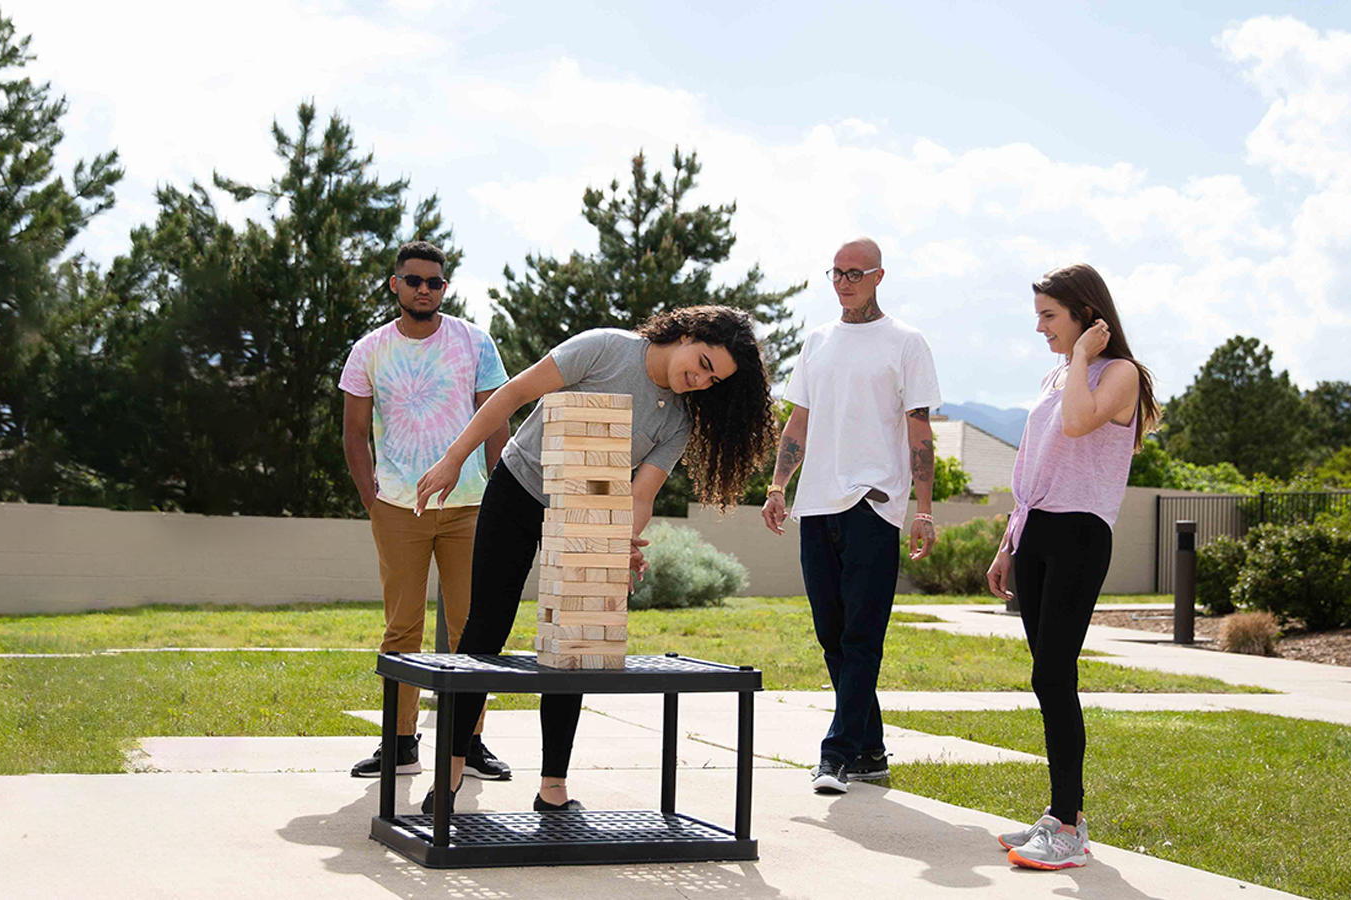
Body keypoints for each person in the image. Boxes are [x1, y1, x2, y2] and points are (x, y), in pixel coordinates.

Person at [414, 305, 776, 814]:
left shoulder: (677, 420)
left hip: (585, 511)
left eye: (711, 380)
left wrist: (619, 541)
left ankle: (552, 786)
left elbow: (641, 494)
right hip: (519, 486)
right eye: (701, 363)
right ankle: (448, 773)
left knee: (576, 637)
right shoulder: (605, 347)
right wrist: (455, 457)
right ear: (692, 333)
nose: (698, 380)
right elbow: (514, 393)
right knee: (486, 626)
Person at [985, 263, 1160, 870]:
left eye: (1049, 316)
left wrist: (1085, 355)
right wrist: (1010, 542)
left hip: (1081, 532)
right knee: (1045, 674)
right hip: (1036, 530)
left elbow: (1078, 423)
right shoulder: (1062, 372)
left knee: (1053, 674)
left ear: (1086, 313)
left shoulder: (1119, 374)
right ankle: (1064, 815)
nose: (1040, 328)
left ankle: (1068, 824)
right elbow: (1037, 463)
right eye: (1038, 316)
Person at [761, 237, 941, 795]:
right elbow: (798, 421)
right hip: (815, 506)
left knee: (862, 637)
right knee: (832, 638)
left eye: (855, 273)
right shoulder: (817, 341)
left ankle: (835, 755)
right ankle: (869, 751)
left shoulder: (907, 343)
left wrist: (925, 510)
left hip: (873, 505)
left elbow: (919, 432)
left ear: (879, 276)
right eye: (836, 272)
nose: (843, 282)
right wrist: (777, 485)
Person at [339, 241, 514, 781]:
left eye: (434, 282)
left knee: (472, 629)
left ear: (445, 287)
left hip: (469, 508)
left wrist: (498, 493)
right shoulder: (369, 350)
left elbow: (496, 420)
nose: (423, 289)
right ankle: (400, 743)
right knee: (402, 628)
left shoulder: (475, 342)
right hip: (398, 508)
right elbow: (353, 431)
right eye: (413, 280)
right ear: (395, 284)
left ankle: (471, 742)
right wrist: (372, 496)